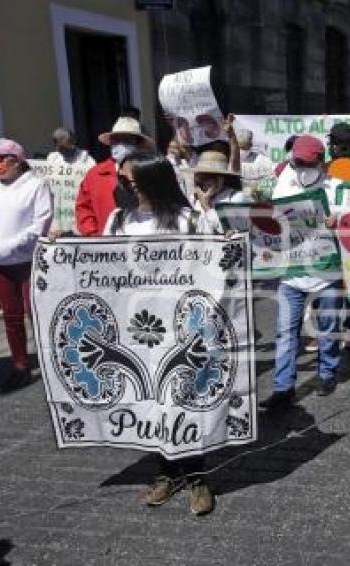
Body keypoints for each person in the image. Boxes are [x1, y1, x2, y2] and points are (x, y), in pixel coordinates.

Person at [103, 152, 214, 515]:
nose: (123, 190)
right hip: (137, 331)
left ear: (155, 182)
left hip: (183, 329)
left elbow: (212, 271)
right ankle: (166, 471)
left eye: (131, 183)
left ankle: (197, 475)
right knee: (152, 402)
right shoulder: (118, 221)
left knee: (184, 399)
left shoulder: (189, 221)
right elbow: (101, 267)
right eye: (121, 182)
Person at [261, 135, 342, 408]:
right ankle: (283, 387)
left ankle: (327, 372)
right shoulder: (284, 181)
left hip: (326, 271)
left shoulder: (336, 188)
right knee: (286, 331)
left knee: (328, 326)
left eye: (308, 163)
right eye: (297, 162)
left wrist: (338, 220)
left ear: (322, 162)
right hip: (292, 272)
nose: (302, 167)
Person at [0, 138, 53, 383]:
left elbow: (40, 224)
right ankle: (20, 364)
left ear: (16, 161)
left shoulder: (36, 186)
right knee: (11, 317)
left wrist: (10, 246)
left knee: (35, 314)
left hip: (28, 261)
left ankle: (50, 363)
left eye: (1, 158)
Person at [75, 116, 154, 236]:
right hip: (106, 248)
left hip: (144, 243)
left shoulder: (150, 171)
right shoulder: (95, 174)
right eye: (116, 140)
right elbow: (84, 209)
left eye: (126, 140)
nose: (120, 144)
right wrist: (93, 236)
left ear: (138, 143)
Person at [187, 150, 251, 234]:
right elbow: (191, 230)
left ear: (220, 179)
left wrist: (207, 207)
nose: (201, 182)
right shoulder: (194, 199)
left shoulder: (236, 198)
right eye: (198, 177)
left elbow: (230, 232)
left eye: (205, 178)